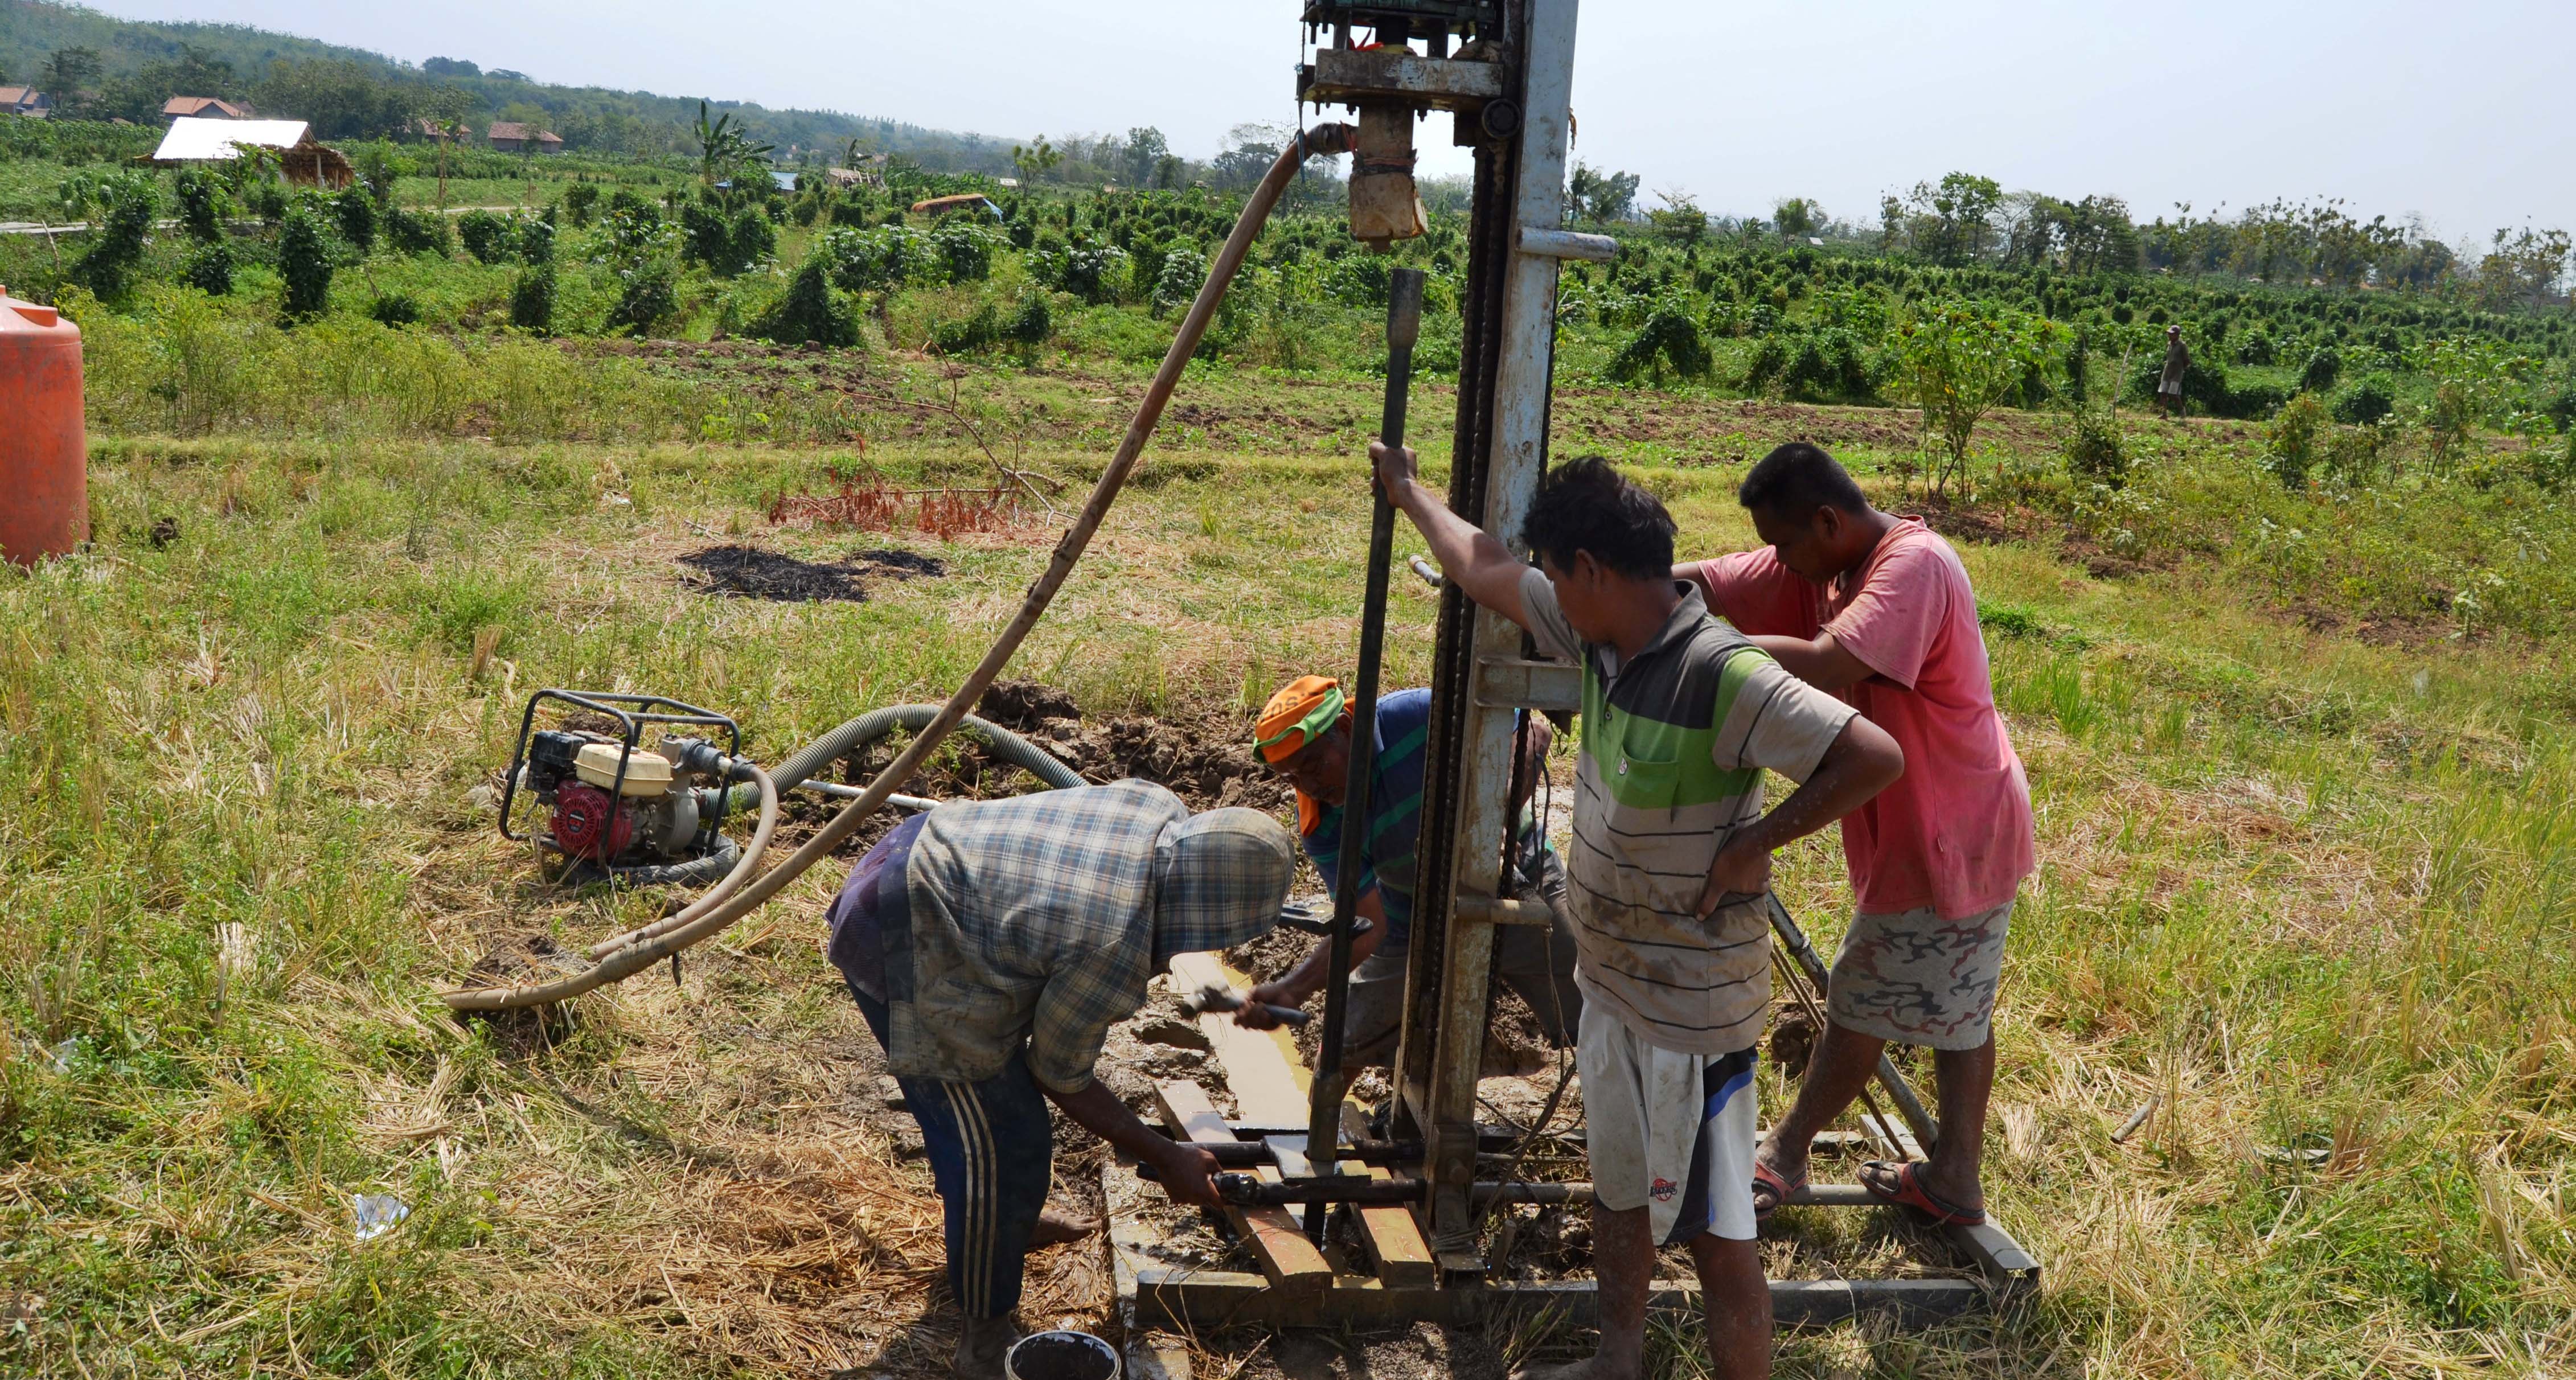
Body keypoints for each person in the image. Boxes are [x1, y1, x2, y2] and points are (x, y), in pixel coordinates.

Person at [1376, 443, 1903, 1380]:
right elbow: (1485, 566)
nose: (1545, 592)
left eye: (1555, 573)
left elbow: (1870, 754)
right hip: (1613, 986)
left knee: (1713, 1231)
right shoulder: (1597, 633)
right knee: (1618, 1189)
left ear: (1591, 568)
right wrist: (1409, 491)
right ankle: (1616, 1358)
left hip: (1690, 1014)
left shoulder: (1721, 671)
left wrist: (1755, 842)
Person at [823, 779, 1298, 1377]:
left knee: (989, 1126)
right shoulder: (1113, 941)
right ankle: (983, 1334)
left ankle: (998, 1225)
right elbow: (1059, 1074)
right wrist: (1165, 1153)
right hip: (901, 926)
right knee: (1000, 1141)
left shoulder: (1158, 808)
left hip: (916, 849)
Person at [1677, 441, 2034, 1234]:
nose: (1778, 561)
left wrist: (1700, 656)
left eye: (1785, 543)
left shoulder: (1916, 567)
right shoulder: (1830, 564)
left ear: (1829, 522)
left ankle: (1788, 1152)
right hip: (1925, 824)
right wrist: (1637, 596)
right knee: (1958, 1008)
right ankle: (1954, 1180)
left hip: (1952, 827)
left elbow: (1829, 665)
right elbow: (1710, 581)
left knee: (1863, 998)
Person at [1236, 676, 1582, 1077]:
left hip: (1516, 870)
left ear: (1348, 729)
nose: (1310, 787)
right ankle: (1321, 1132)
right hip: (1409, 904)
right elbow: (1366, 927)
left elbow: (1530, 733)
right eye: (1293, 778)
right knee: (1345, 1044)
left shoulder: (1415, 715)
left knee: (1585, 1004)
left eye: (1313, 765)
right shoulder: (1322, 825)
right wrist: (1293, 989)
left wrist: (1495, 818)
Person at [2156, 323, 2189, 417]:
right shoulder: (2169, 344)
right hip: (2167, 372)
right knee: (2163, 393)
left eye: (2172, 334)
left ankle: (2182, 412)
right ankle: (2164, 413)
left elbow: (2187, 360)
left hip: (2177, 373)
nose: (2169, 335)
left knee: (2173, 395)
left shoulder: (2182, 346)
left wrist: (2181, 369)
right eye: (2169, 334)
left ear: (2177, 335)